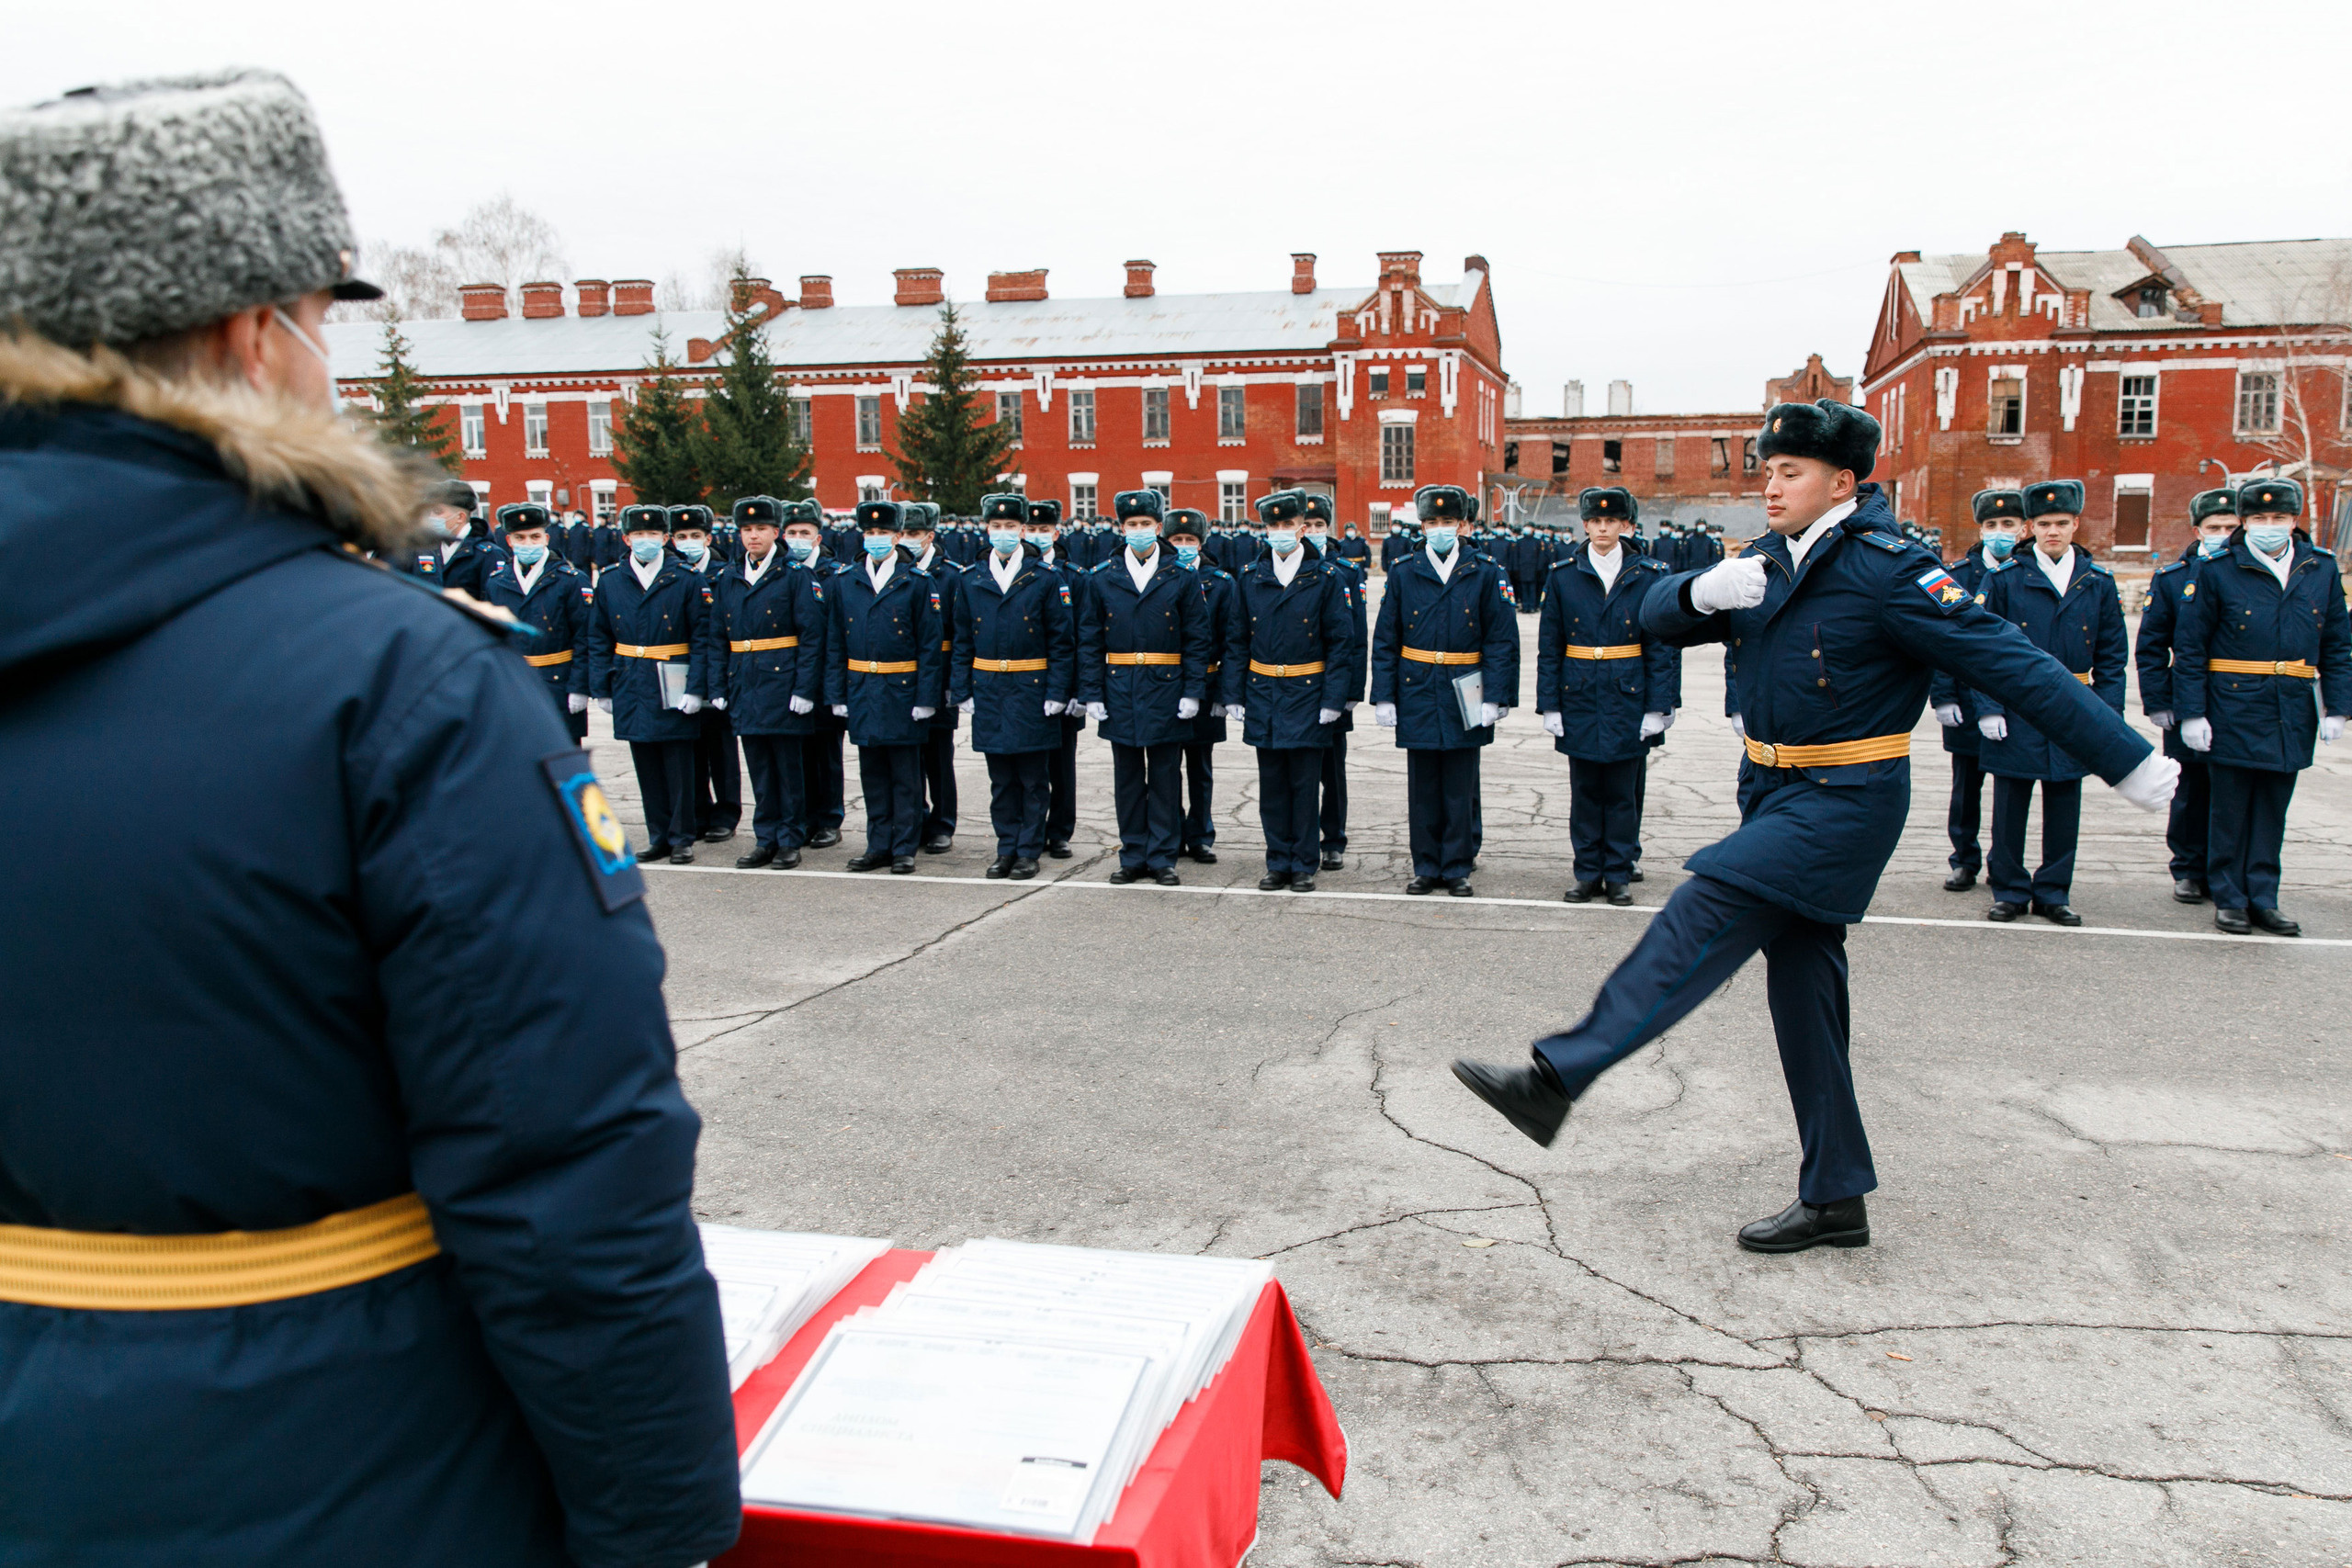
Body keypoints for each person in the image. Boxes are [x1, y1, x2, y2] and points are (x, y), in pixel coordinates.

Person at [0, 69, 739, 1566]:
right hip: (336, 1463)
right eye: (321, 321)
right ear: (247, 334)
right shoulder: (398, 678)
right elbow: (568, 1186)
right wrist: (660, 1525)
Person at [1451, 400, 2176, 1253]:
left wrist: (2127, 759)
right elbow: (1649, 616)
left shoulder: (1891, 570)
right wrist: (1698, 588)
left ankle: (1557, 1076)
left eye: (1790, 472)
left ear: (1842, 482)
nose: (1771, 484)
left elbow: (2015, 663)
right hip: (1772, 785)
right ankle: (1836, 1194)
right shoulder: (1766, 559)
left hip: (1848, 797)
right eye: (1767, 469)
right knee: (1805, 993)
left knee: (1709, 898)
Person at [2172, 477, 2352, 936]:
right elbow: (2190, 647)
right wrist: (2192, 713)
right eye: (2258, 518)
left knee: (2273, 808)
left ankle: (2263, 898)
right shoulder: (2217, 569)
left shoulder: (2321, 568)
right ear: (2246, 523)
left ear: (2295, 521)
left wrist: (2337, 708)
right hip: (2232, 704)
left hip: (2290, 708)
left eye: (2279, 518)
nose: (2269, 526)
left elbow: (2337, 643)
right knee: (2229, 808)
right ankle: (2230, 897)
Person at [1973, 480, 2127, 926]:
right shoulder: (2004, 578)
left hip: (2074, 704)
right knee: (2010, 805)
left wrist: (2106, 713)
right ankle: (2009, 889)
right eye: (2044, 523)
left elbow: (2113, 655)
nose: (2053, 531)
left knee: (2064, 803)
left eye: (2062, 523)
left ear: (2076, 524)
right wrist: (1988, 706)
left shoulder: (2097, 582)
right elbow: (1979, 647)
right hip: (2018, 703)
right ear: (2030, 527)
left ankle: (2054, 890)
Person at [1370, 483, 1519, 897]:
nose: (1439, 529)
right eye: (1431, 522)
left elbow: (1501, 639)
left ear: (1463, 524)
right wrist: (1384, 695)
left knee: (1458, 782)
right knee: (1423, 785)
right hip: (1417, 686)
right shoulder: (1404, 570)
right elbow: (1386, 638)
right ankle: (1426, 866)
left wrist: (1496, 696)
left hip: (1465, 687)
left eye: (1447, 522)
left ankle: (1456, 866)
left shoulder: (1485, 570)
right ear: (1421, 526)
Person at [1533, 487, 1675, 905]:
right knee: (1586, 792)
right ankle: (1586, 872)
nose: (1602, 528)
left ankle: (1617, 874)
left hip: (1627, 694)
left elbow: (1662, 646)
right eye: (1595, 521)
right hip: (1579, 692)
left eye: (1611, 521)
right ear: (1585, 525)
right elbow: (1550, 645)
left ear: (1626, 526)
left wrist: (1658, 707)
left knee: (1620, 793)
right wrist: (1550, 704)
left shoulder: (1649, 574)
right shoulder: (1563, 574)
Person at [1078, 490, 1213, 886]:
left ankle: (1163, 856)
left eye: (1146, 525)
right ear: (1122, 528)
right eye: (1131, 525)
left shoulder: (1182, 576)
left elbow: (1196, 638)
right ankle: (1133, 854)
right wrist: (1092, 692)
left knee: (1166, 777)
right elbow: (1088, 639)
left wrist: (1192, 691)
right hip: (1120, 687)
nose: (1139, 531)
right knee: (1129, 779)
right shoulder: (1102, 577)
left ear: (1159, 528)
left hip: (1166, 688)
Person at [1225, 490, 1356, 891]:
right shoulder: (1250, 577)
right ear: (1264, 530)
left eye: (1288, 525)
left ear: (1302, 528)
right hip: (1264, 690)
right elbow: (1236, 641)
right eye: (1273, 526)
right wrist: (1233, 694)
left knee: (1303, 783)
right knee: (1272, 787)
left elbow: (1341, 642)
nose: (1280, 532)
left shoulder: (1327, 577)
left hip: (1308, 693)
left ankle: (1304, 862)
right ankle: (1277, 861)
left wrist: (1334, 699)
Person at [952, 494, 1077, 878]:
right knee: (1001, 779)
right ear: (986, 529)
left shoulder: (1045, 577)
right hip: (989, 686)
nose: (1003, 533)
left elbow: (1061, 641)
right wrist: (963, 690)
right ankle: (1006, 846)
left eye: (1010, 527)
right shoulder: (971, 578)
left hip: (1031, 688)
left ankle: (1028, 850)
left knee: (1033, 777)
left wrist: (1057, 692)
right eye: (996, 527)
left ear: (1023, 531)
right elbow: (961, 639)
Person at [588, 503, 720, 864]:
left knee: (678, 764)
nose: (645, 541)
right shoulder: (612, 579)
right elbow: (598, 635)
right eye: (637, 535)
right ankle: (658, 835)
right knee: (645, 761)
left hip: (673, 676)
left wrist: (697, 688)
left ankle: (682, 838)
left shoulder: (687, 578)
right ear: (626, 538)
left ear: (665, 538)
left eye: (653, 535)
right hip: (630, 678)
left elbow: (703, 637)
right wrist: (601, 687)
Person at [825, 500, 946, 873]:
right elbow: (834, 642)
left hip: (903, 689)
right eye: (870, 533)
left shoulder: (917, 582)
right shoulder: (846, 581)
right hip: (862, 686)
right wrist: (837, 694)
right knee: (872, 773)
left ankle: (905, 846)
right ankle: (878, 844)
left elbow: (930, 645)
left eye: (884, 533)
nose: (876, 539)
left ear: (897, 536)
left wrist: (927, 697)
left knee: (905, 775)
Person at [2135, 488, 2239, 903]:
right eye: (2215, 528)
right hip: (2185, 697)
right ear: (2198, 530)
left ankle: (2225, 867)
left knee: (2230, 791)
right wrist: (2159, 701)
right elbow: (2151, 646)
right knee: (2190, 788)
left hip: (2237, 701)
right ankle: (2188, 867)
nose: (2224, 534)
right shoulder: (2174, 578)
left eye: (2231, 527)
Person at [714, 495, 828, 869]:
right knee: (760, 767)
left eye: (760, 529)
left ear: (775, 532)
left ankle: (790, 838)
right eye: (746, 529)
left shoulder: (795, 575)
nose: (752, 537)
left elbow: (812, 636)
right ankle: (766, 837)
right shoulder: (729, 577)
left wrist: (803, 689)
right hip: (745, 681)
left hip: (782, 682)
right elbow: (717, 637)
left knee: (788, 768)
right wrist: (717, 686)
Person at [1927, 489, 2024, 892]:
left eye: (2008, 525)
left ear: (2023, 528)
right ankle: (1964, 859)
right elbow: (1939, 638)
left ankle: (2006, 862)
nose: (1999, 533)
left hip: (2015, 701)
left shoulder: (2026, 571)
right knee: (1966, 787)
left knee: (2011, 787)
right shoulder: (1957, 575)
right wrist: (1944, 696)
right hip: (1966, 700)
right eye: (1990, 525)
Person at [483, 502, 592, 742]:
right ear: (509, 541)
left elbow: (585, 637)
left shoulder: (570, 580)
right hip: (514, 683)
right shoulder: (497, 582)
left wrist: (579, 686)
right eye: (520, 537)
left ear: (546, 538)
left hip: (558, 682)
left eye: (535, 536)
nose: (528, 543)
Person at [778, 500, 850, 850]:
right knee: (797, 754)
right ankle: (803, 817)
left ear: (818, 537)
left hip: (825, 678)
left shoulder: (834, 575)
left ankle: (829, 818)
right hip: (790, 677)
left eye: (804, 533)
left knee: (826, 754)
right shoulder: (780, 572)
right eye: (791, 533)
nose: (796, 539)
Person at [1165, 508, 1237, 863]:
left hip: (1206, 683)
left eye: (1189, 540)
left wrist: (1224, 693)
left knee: (1200, 766)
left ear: (1201, 543)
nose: (1182, 546)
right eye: (1176, 540)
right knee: (1165, 766)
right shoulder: (1159, 577)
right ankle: (1171, 831)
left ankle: (1201, 834)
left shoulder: (1220, 583)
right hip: (1165, 683)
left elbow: (1231, 642)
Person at [1302, 494, 1368, 871]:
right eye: (1306, 526)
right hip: (1298, 684)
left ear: (1328, 527)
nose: (1311, 532)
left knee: (1333, 770)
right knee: (1301, 766)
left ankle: (1334, 838)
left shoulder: (1346, 570)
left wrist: (1352, 691)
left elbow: (1357, 635)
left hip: (1335, 681)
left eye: (1318, 526)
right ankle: (1305, 835)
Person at [668, 504, 741, 844]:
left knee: (721, 746)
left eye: (695, 536)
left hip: (719, 669)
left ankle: (725, 814)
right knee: (689, 744)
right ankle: (696, 811)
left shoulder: (725, 574)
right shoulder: (671, 574)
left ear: (709, 538)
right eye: (681, 537)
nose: (688, 542)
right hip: (681, 668)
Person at [898, 502, 961, 853]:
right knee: (909, 756)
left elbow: (959, 633)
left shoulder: (950, 575)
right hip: (904, 677)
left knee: (938, 756)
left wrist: (954, 683)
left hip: (940, 676)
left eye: (914, 534)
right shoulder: (896, 570)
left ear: (929, 536)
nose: (907, 540)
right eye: (903, 533)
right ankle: (915, 818)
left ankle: (942, 823)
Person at [1025, 498, 1085, 857]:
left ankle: (1060, 830)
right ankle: (1030, 828)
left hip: (1062, 681)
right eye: (1031, 529)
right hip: (1025, 681)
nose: (1036, 535)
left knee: (1062, 763)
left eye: (1043, 530)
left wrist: (1078, 689)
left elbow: (1080, 637)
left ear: (1055, 533)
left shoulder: (1073, 576)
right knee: (1029, 763)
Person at [399, 478, 504, 593]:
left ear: (460, 517)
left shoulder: (489, 555)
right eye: (429, 511)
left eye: (437, 512)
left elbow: (494, 601)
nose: (431, 517)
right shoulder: (425, 549)